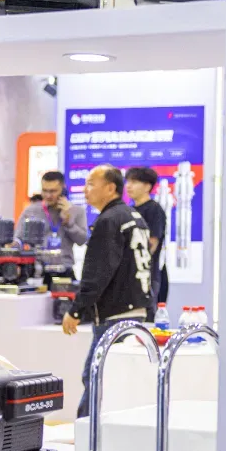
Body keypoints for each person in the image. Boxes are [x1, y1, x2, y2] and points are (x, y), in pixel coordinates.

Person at [62, 166, 152, 418]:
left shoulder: (109, 220)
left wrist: (76, 310)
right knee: (116, 379)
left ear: (111, 188)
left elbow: (97, 272)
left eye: (91, 183)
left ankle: (86, 432)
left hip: (115, 314)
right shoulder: (134, 217)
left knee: (96, 376)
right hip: (136, 309)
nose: (85, 189)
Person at [18, 170, 88, 280]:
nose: (48, 195)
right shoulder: (31, 211)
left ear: (63, 189)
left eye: (53, 191)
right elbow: (18, 238)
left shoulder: (77, 211)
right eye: (44, 190)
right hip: (37, 271)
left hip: (64, 270)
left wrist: (68, 222)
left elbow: (82, 240)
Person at [125, 167, 168, 322]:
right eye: (128, 182)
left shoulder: (154, 210)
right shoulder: (128, 211)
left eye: (134, 182)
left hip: (148, 275)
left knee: (145, 320)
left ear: (147, 186)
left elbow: (152, 244)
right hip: (128, 276)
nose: (129, 186)